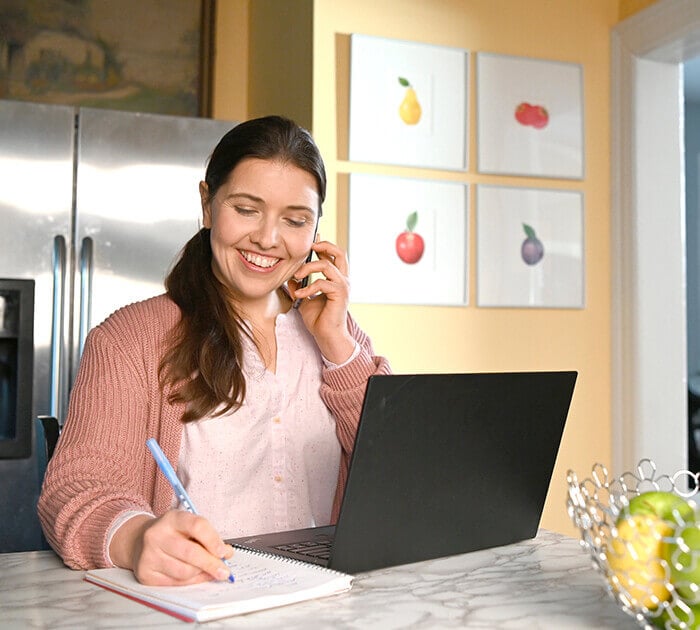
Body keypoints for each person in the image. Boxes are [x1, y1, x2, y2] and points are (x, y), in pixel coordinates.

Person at [38, 115, 391, 586]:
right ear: (208, 205)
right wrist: (140, 537)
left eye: (295, 220)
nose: (268, 238)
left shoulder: (338, 334)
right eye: (247, 209)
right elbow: (77, 490)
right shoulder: (129, 339)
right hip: (198, 599)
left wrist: (338, 346)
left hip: (327, 599)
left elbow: (402, 479)